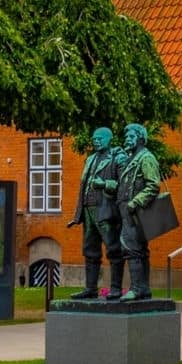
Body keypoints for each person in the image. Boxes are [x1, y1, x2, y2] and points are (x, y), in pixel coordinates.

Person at [65, 127, 123, 300]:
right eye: (94, 138)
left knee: (113, 249)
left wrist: (105, 184)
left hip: (106, 209)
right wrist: (78, 214)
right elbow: (83, 187)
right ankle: (90, 288)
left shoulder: (118, 158)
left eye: (100, 138)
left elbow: (124, 184)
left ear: (109, 139)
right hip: (88, 209)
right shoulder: (90, 159)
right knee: (90, 250)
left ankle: (115, 288)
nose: (96, 141)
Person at [112, 122, 165, 302]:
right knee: (137, 248)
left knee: (131, 247)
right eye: (126, 136)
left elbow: (153, 185)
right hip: (127, 210)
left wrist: (136, 201)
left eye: (130, 136)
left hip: (135, 210)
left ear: (140, 138)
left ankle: (137, 288)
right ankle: (143, 289)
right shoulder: (131, 159)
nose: (127, 139)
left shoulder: (146, 158)